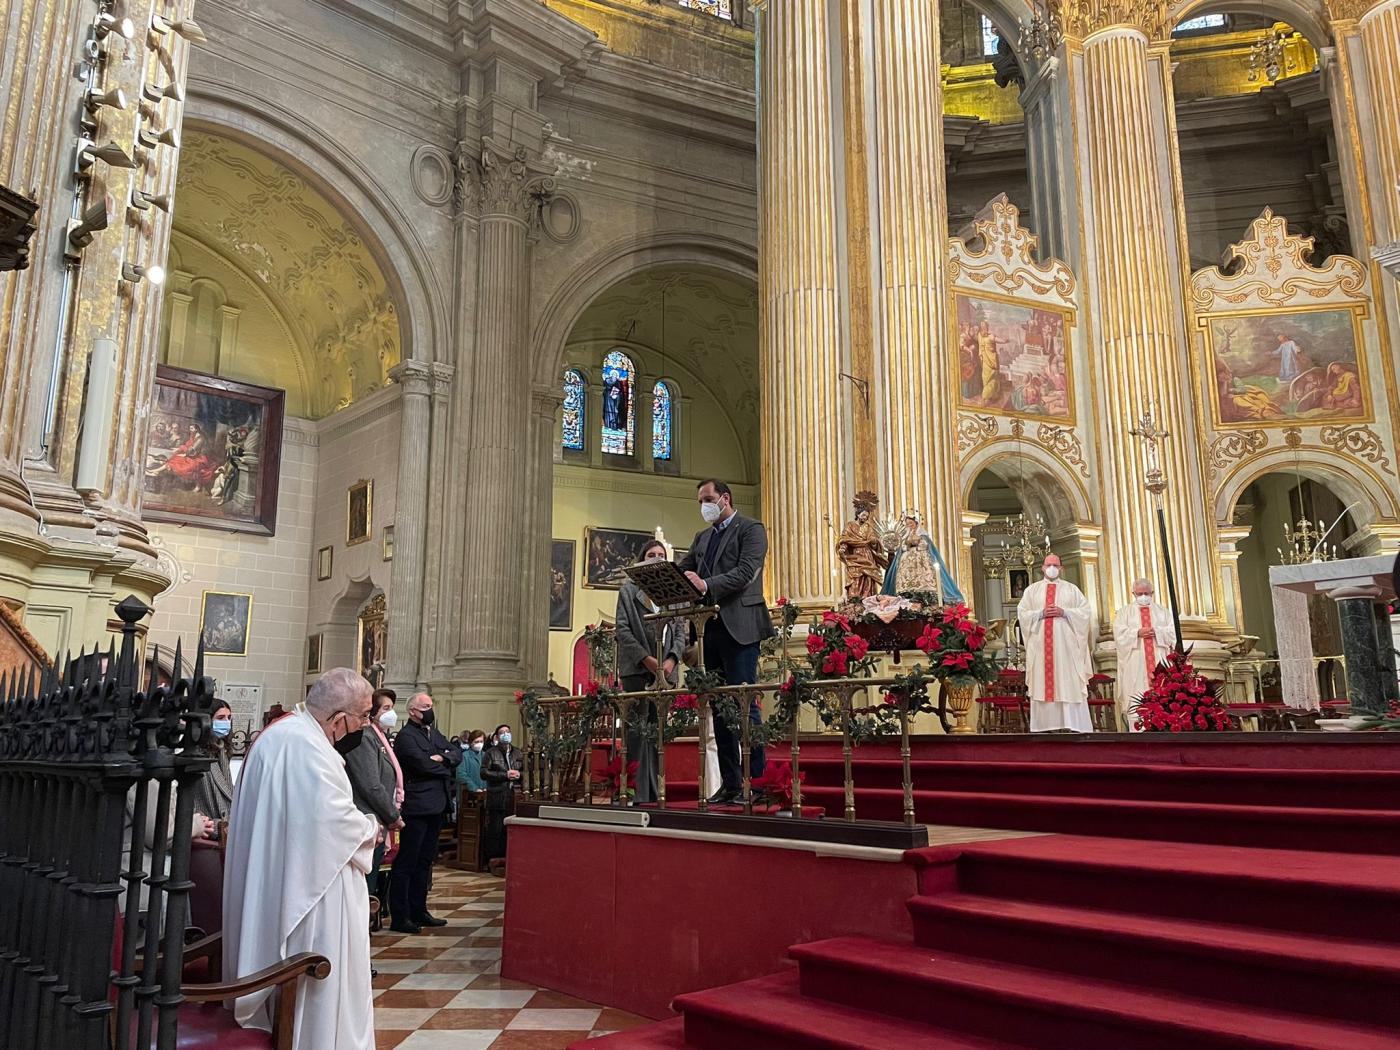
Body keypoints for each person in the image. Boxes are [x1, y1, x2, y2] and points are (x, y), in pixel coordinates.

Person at [222, 668, 379, 1050]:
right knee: (322, 990)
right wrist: (370, 828)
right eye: (365, 716)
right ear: (341, 719)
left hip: (289, 874)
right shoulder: (304, 745)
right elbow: (331, 824)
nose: (367, 725)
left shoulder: (286, 734)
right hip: (314, 892)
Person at [678, 479, 773, 804]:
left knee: (744, 705)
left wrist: (704, 584)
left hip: (741, 627)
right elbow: (683, 571)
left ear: (725, 499)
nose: (703, 505)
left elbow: (746, 572)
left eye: (708, 499)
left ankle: (758, 783)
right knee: (719, 709)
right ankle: (732, 783)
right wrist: (659, 575)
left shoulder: (751, 529)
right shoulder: (702, 538)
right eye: (700, 501)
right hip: (710, 630)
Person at [615, 539, 686, 804]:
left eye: (661, 555)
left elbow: (681, 631)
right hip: (637, 669)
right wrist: (647, 659)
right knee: (636, 732)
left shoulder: (673, 590)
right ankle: (633, 791)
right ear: (641, 559)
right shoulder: (627, 591)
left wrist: (670, 660)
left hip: (665, 674)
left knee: (657, 733)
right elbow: (623, 630)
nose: (656, 558)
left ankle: (656, 791)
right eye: (651, 554)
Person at [390, 693, 460, 933]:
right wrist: (444, 765)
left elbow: (455, 752)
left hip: (437, 805)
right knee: (408, 862)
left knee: (425, 862)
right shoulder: (406, 737)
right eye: (425, 707)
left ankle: (419, 910)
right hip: (417, 806)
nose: (430, 710)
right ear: (412, 711)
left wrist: (443, 759)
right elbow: (421, 764)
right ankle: (401, 916)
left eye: (431, 705)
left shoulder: (433, 732)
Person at [1017, 554, 1094, 733]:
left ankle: (1072, 724)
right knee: (1044, 681)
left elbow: (1085, 612)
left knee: (1067, 680)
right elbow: (1023, 614)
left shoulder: (1072, 590)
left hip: (1066, 649)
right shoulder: (1032, 591)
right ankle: (1044, 726)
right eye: (1048, 565)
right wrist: (1041, 613)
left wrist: (1065, 612)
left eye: (1055, 565)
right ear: (1042, 568)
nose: (1052, 568)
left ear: (1061, 568)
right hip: (1041, 648)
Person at [346, 688, 404, 915]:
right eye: (386, 708)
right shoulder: (364, 738)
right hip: (368, 817)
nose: (391, 713)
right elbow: (371, 784)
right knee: (364, 885)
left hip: (377, 818)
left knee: (370, 885)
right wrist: (393, 815)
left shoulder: (379, 738)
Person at [1111, 579, 1176, 732]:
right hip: (1136, 661)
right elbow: (1119, 635)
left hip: (1159, 657)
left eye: (1146, 593)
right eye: (1140, 594)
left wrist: (1158, 632)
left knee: (1161, 694)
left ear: (1152, 593)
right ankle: (1137, 731)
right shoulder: (1124, 612)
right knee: (1137, 694)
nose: (1143, 596)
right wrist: (1136, 633)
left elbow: (1173, 633)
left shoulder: (1163, 612)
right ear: (1133, 594)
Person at [881, 509, 963, 604]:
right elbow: (902, 548)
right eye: (907, 524)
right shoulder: (906, 536)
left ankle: (925, 596)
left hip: (921, 561)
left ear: (916, 523)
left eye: (911, 523)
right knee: (905, 580)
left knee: (923, 577)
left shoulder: (923, 536)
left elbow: (925, 546)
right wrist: (906, 545)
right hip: (907, 563)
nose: (909, 526)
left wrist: (917, 542)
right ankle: (906, 595)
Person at [481, 722, 523, 868]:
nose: (506, 734)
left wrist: (519, 774)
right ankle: (492, 858)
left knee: (510, 829)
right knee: (495, 829)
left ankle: (508, 857)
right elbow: (484, 773)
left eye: (507, 731)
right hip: (497, 795)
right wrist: (504, 775)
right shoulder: (491, 753)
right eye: (502, 732)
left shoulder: (517, 752)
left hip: (514, 795)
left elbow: (526, 772)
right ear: (497, 737)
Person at [837, 492, 889, 601]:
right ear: (858, 514)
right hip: (855, 555)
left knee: (868, 579)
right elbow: (844, 538)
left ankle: (868, 600)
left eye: (867, 516)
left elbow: (873, 540)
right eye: (863, 515)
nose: (865, 517)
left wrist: (874, 542)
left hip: (867, 555)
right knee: (855, 579)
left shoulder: (868, 527)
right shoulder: (850, 525)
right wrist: (843, 548)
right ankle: (855, 602)